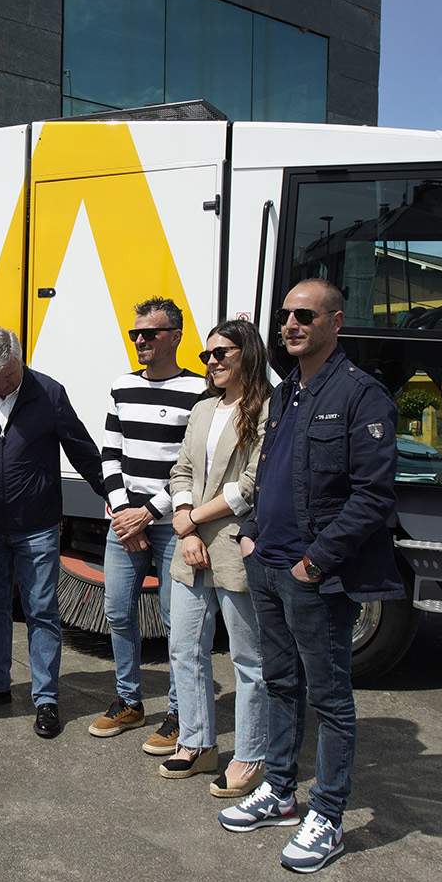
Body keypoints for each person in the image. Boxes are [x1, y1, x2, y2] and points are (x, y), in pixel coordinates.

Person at [219, 279, 404, 874]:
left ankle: (326, 814)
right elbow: (266, 475)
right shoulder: (285, 394)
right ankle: (279, 789)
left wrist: (314, 562)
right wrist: (249, 536)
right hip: (267, 563)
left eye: (305, 315)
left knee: (330, 699)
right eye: (285, 316)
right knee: (279, 683)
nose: (291, 325)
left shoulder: (360, 395)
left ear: (335, 322)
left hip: (313, 576)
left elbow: (373, 496)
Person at [0, 328, 104, 739]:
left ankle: (47, 698)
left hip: (36, 525)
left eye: (7, 375)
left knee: (41, 611)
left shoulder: (48, 393)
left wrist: (112, 496)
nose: (0, 385)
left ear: (20, 361)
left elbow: (81, 448)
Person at [87, 298, 207, 756]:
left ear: (174, 336)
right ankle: (129, 700)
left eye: (150, 333)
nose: (140, 340)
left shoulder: (198, 391)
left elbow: (192, 464)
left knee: (178, 625)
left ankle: (177, 713)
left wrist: (149, 513)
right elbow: (109, 454)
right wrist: (123, 512)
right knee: (117, 612)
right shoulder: (122, 386)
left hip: (171, 524)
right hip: (124, 522)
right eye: (135, 333)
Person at [162, 319, 270, 792]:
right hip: (193, 545)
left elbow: (251, 484)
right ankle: (198, 743)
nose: (212, 362)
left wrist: (191, 519)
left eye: (222, 352)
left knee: (248, 660)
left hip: (233, 547)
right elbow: (181, 467)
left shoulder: (267, 409)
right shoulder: (203, 409)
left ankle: (249, 755)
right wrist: (185, 520)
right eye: (207, 355)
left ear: (247, 353)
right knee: (185, 649)